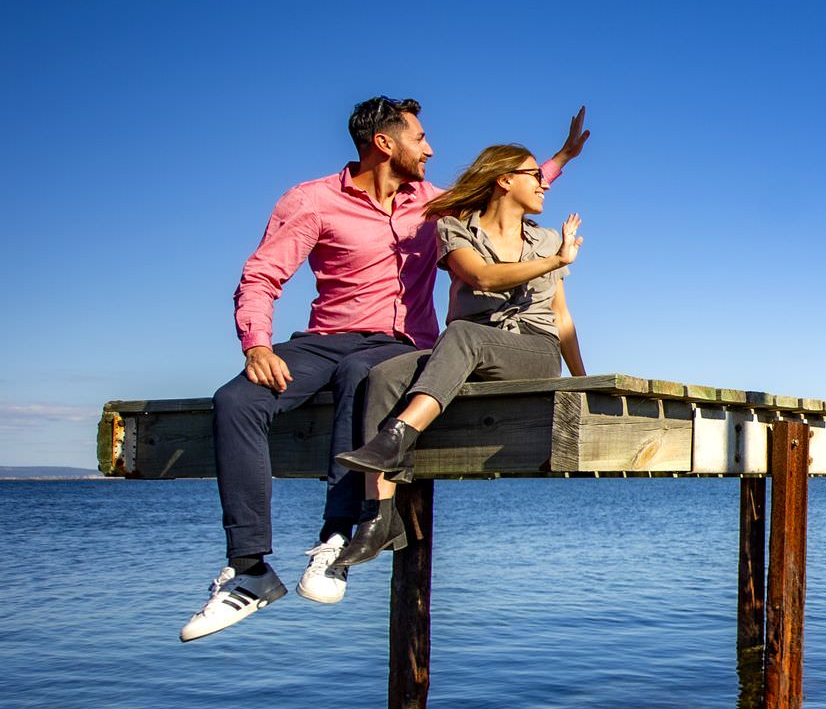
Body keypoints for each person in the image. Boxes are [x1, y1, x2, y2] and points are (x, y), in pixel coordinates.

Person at [181, 100, 589, 642]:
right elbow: (262, 275)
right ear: (384, 143)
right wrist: (256, 345)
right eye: (420, 138)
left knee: (363, 375)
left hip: (398, 344)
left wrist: (558, 159)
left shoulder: (434, 204)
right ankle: (249, 568)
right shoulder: (312, 200)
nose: (431, 149)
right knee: (236, 401)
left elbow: (501, 194)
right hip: (324, 338)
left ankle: (336, 538)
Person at [329, 145, 587, 568]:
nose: (543, 183)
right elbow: (480, 276)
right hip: (468, 351)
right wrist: (554, 261)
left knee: (464, 334)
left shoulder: (549, 239)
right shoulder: (455, 229)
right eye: (534, 176)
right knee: (383, 374)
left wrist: (580, 382)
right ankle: (379, 517)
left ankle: (398, 436)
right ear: (505, 180)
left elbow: (561, 316)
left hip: (531, 352)